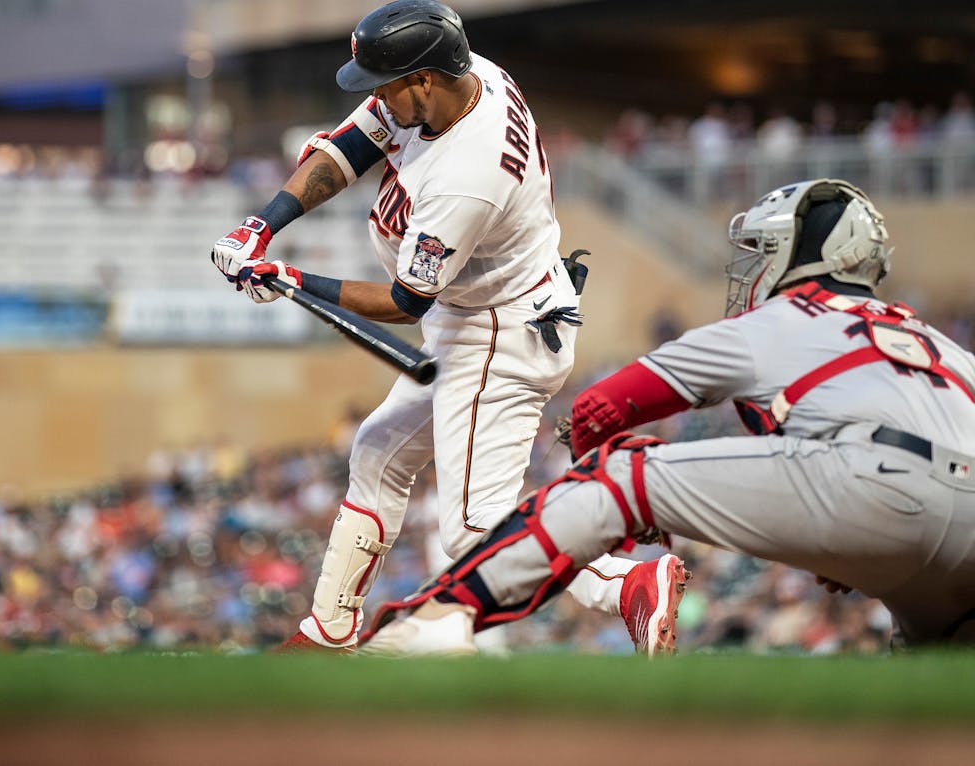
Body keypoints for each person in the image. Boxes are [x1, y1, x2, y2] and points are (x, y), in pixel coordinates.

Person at [210, 0, 666, 653]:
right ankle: (329, 631)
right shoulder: (460, 75)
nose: (375, 97)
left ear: (422, 79)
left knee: (475, 535)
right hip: (479, 315)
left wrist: (289, 277)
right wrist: (263, 223)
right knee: (378, 452)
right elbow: (349, 146)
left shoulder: (467, 174)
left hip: (494, 333)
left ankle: (625, 585)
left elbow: (405, 301)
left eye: (384, 84)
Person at [362, 178, 975, 655]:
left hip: (874, 486)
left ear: (805, 255)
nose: (754, 267)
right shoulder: (946, 348)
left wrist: (632, 512)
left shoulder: (781, 321)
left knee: (617, 472)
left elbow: (600, 408)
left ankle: (431, 620)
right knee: (936, 681)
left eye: (765, 251)